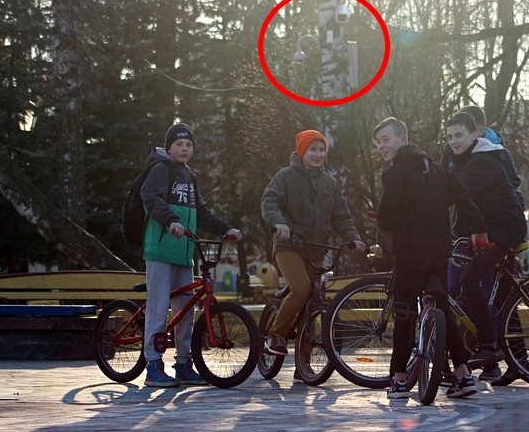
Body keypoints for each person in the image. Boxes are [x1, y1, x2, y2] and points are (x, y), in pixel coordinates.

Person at [372, 117, 487, 400]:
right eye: (378, 143)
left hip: (409, 254)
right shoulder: (438, 171)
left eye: (385, 140)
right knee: (443, 310)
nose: (381, 147)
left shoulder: (396, 173)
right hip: (438, 252)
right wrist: (478, 228)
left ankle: (399, 380)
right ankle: (463, 375)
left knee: (404, 313)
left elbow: (386, 218)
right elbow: (465, 198)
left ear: (403, 140)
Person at [141, 123, 243, 388]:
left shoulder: (189, 176)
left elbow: (202, 212)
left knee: (186, 310)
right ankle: (153, 365)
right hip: (161, 249)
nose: (185, 149)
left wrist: (225, 229)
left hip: (185, 252)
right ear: (169, 147)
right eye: (179, 144)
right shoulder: (160, 169)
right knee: (159, 306)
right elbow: (151, 198)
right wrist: (171, 220)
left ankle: (184, 364)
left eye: (189, 145)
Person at [261, 129, 366, 367]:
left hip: (316, 250)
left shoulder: (330, 182)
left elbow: (341, 216)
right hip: (289, 246)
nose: (318, 154)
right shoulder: (285, 176)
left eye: (321, 150)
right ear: (301, 152)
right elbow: (269, 200)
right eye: (313, 150)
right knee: (301, 289)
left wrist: (354, 238)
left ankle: (304, 363)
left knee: (313, 302)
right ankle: (275, 334)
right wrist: (278, 222)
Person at [446, 111, 528, 387]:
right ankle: (520, 363)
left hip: (502, 231)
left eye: (459, 135)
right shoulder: (468, 158)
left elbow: (457, 192)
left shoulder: (483, 161)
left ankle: (490, 345)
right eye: (450, 136)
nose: (453, 141)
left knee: (469, 281)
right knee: (503, 299)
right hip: (490, 230)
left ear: (475, 134)